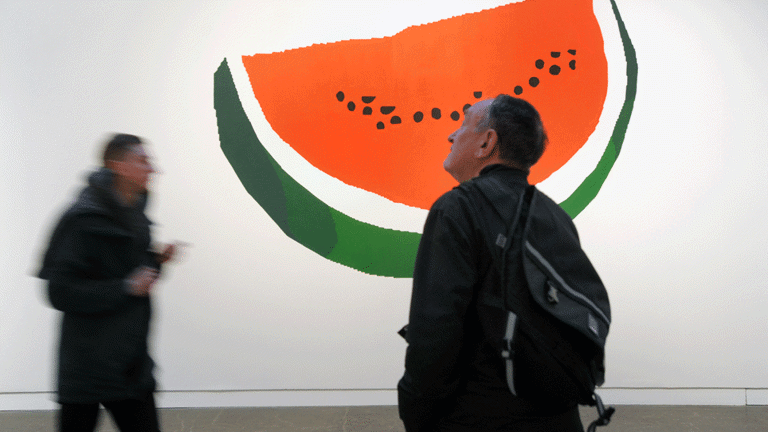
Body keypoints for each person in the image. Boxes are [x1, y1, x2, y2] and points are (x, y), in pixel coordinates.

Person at [398, 95, 585, 431]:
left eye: (464, 124)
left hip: (481, 415)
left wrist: (416, 410)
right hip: (559, 414)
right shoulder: (555, 215)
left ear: (486, 141)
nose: (451, 136)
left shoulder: (458, 208)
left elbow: (436, 329)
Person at [38, 133, 178, 432]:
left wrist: (155, 262)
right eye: (143, 161)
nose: (153, 169)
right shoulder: (82, 220)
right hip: (87, 364)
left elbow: (127, 273)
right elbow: (59, 292)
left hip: (130, 362)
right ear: (118, 166)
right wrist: (126, 287)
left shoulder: (134, 216)